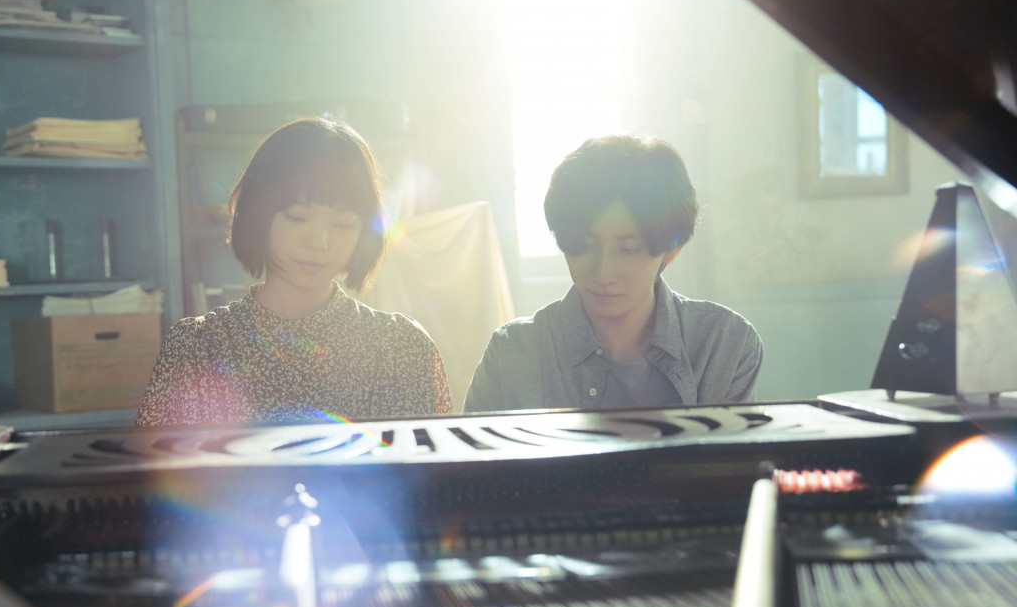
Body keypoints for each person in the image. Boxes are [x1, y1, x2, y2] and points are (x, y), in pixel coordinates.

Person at [136, 117, 453, 427]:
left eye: (343, 224)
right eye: (297, 218)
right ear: (258, 215)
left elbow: (432, 461)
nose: (320, 242)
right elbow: (159, 461)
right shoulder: (197, 347)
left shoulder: (402, 347)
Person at [464, 134, 762, 413]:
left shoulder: (724, 344)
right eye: (582, 246)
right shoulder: (512, 354)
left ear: (671, 249)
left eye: (628, 249)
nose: (603, 273)